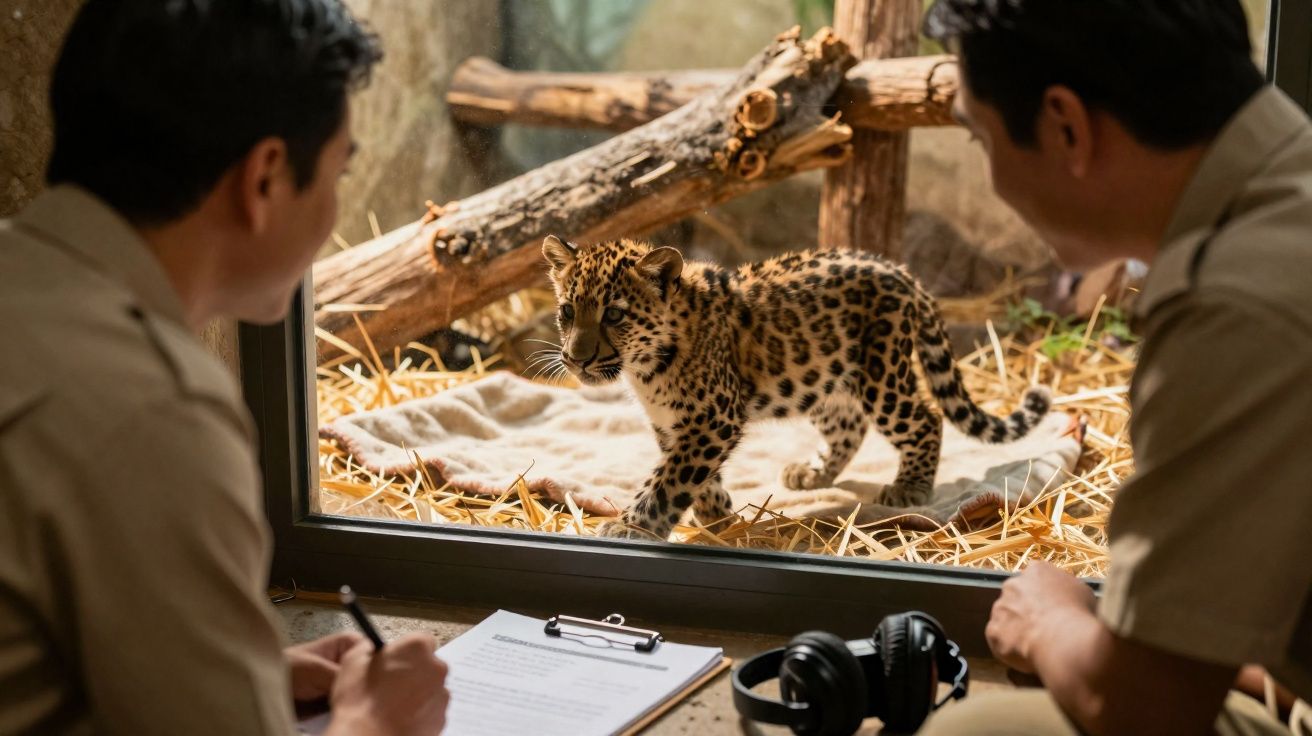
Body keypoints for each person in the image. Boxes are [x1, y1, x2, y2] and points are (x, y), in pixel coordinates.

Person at [0, 2, 449, 734]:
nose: (335, 211)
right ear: (265, 177)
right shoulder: (155, 408)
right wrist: (379, 722)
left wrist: (242, 675)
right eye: (339, 172)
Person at [914, 1, 1312, 734]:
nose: (991, 176)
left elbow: (1139, 710)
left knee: (970, 731)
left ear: (1065, 125)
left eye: (981, 138)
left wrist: (1050, 622)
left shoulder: (1232, 304)